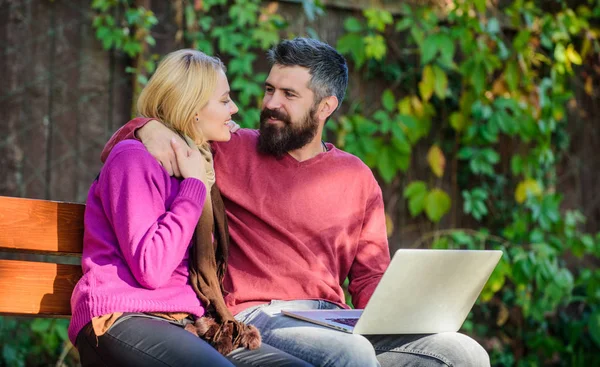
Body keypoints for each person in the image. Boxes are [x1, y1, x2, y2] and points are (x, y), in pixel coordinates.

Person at [101, 38, 491, 366]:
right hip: (260, 314)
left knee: (463, 353)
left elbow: (370, 277)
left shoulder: (355, 177)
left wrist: (403, 317)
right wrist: (146, 127)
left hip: (336, 321)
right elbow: (151, 133)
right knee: (351, 354)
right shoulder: (228, 148)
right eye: (270, 89)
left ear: (326, 107)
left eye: (289, 95)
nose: (271, 103)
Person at [69, 49, 311, 367]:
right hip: (121, 315)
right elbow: (151, 269)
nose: (235, 108)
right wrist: (194, 187)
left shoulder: (201, 159)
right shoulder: (134, 158)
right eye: (224, 100)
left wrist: (196, 177)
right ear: (192, 107)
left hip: (185, 322)